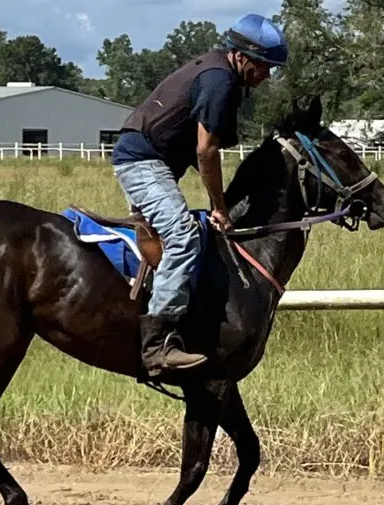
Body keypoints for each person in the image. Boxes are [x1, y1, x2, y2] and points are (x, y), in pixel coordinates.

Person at [111, 13, 289, 377]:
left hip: (149, 159)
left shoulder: (218, 73)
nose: (266, 75)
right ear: (241, 56)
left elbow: (203, 148)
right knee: (183, 236)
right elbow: (206, 151)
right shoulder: (219, 80)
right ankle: (157, 346)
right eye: (263, 66)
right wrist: (219, 206)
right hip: (141, 162)